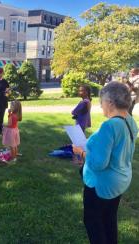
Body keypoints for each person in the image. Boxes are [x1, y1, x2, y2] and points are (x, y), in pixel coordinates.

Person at [73, 82, 138, 244]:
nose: (100, 105)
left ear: (110, 102)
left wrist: (80, 151)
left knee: (94, 223)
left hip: (103, 185)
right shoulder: (129, 120)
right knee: (109, 219)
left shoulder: (109, 125)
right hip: (120, 180)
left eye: (101, 101)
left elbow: (98, 164)